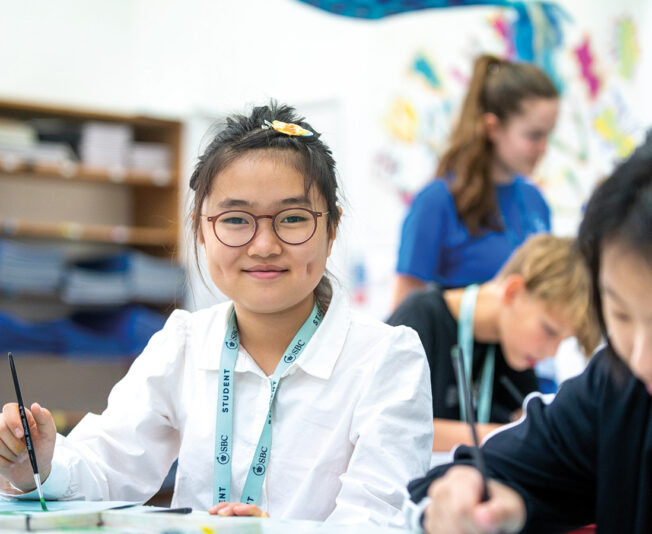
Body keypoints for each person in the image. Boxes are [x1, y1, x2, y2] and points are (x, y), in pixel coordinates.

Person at [0, 103, 434, 525]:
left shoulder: (386, 359)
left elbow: (379, 518)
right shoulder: (184, 343)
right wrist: (37, 461)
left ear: (332, 227)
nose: (264, 245)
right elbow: (106, 468)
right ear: (202, 229)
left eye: (294, 218)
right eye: (235, 219)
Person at [409, 135, 652, 533]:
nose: (641, 360)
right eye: (621, 316)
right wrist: (482, 497)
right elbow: (480, 473)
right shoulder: (616, 387)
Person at [387, 234, 599, 451]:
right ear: (513, 292)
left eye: (563, 341)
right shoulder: (418, 319)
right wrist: (506, 434)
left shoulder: (515, 351)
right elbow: (396, 429)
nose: (553, 352)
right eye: (550, 331)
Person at [393, 54, 559, 309]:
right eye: (534, 135)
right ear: (492, 128)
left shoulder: (535, 201)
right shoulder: (437, 202)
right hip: (456, 349)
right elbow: (403, 316)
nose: (543, 148)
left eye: (548, 135)